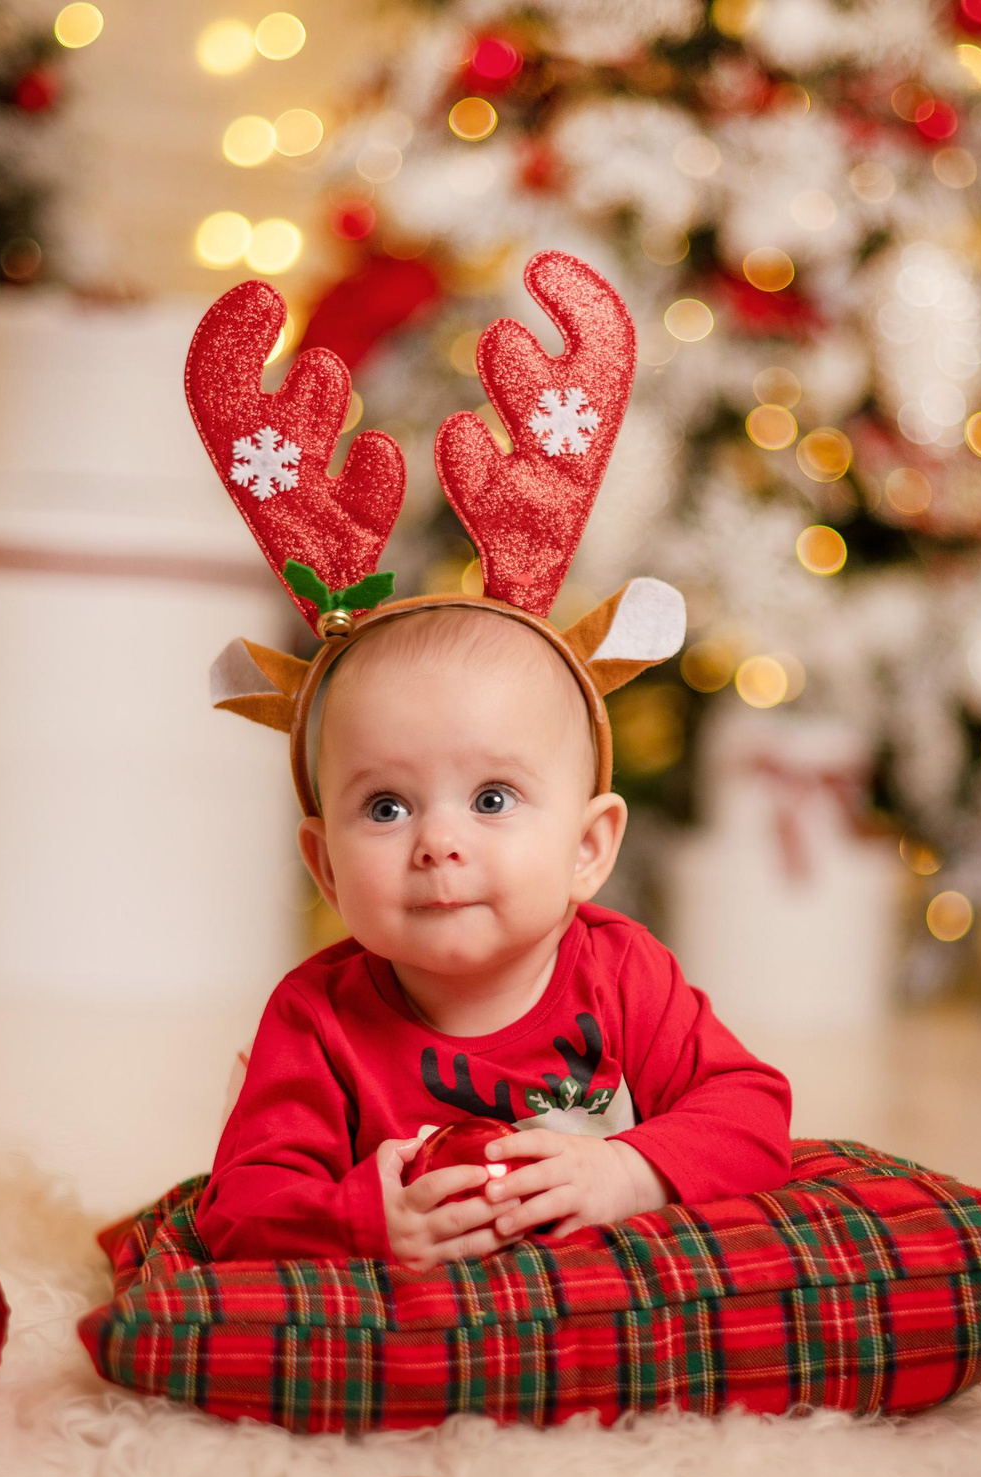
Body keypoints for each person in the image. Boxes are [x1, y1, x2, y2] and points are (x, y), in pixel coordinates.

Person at [179, 249, 790, 1267]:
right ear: (323, 863)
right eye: (384, 809)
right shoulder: (317, 1021)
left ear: (590, 847)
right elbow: (241, 1207)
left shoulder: (622, 977)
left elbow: (752, 1111)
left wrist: (630, 1169)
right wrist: (361, 1219)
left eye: (495, 797)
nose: (438, 844)